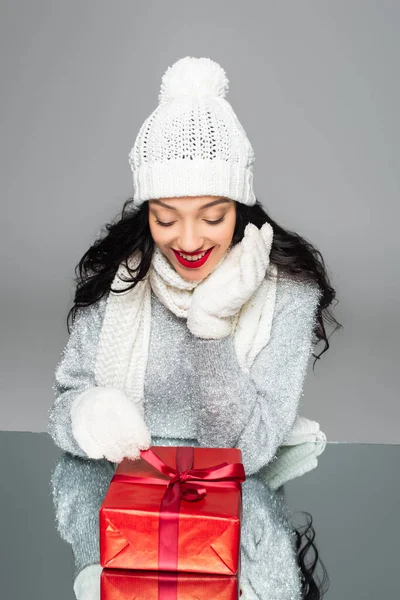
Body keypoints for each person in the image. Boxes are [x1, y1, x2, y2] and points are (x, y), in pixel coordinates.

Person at [47, 56, 338, 599]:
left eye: (211, 217)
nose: (187, 240)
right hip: (119, 485)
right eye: (165, 217)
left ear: (241, 208)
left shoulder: (287, 293)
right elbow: (63, 418)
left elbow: (244, 453)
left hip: (235, 493)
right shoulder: (122, 280)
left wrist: (212, 329)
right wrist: (86, 411)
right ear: (145, 212)